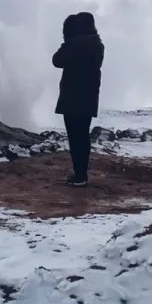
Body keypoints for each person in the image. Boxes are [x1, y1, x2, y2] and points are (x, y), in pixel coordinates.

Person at [52, 12, 104, 187]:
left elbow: (56, 60)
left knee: (75, 137)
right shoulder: (98, 45)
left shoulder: (72, 44)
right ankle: (82, 174)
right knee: (83, 136)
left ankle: (79, 175)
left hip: (72, 96)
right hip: (89, 97)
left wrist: (67, 43)